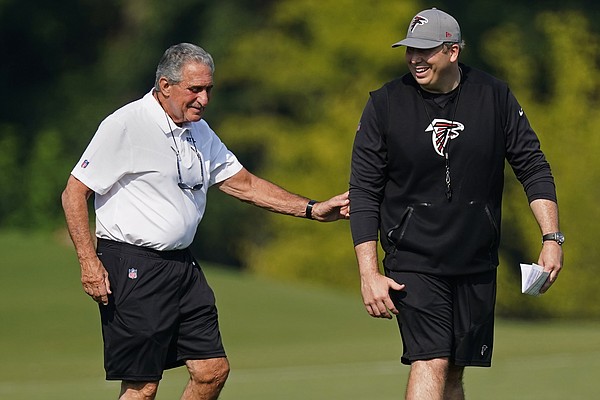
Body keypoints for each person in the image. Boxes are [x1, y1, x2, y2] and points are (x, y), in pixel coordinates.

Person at [61, 42, 349, 400]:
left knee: (212, 371)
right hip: (132, 265)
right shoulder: (125, 124)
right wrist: (89, 263)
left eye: (208, 89)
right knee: (143, 386)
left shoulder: (199, 130)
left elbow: (242, 183)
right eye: (194, 89)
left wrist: (311, 209)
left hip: (182, 267)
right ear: (165, 85)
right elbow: (74, 192)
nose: (204, 99)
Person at [349, 8, 563, 400]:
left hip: (475, 259)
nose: (414, 58)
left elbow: (533, 166)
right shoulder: (385, 104)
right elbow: (363, 190)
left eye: (425, 50)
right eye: (409, 49)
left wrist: (552, 238)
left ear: (452, 51)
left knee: (453, 372)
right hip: (413, 258)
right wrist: (368, 271)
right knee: (431, 360)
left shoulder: (494, 96)